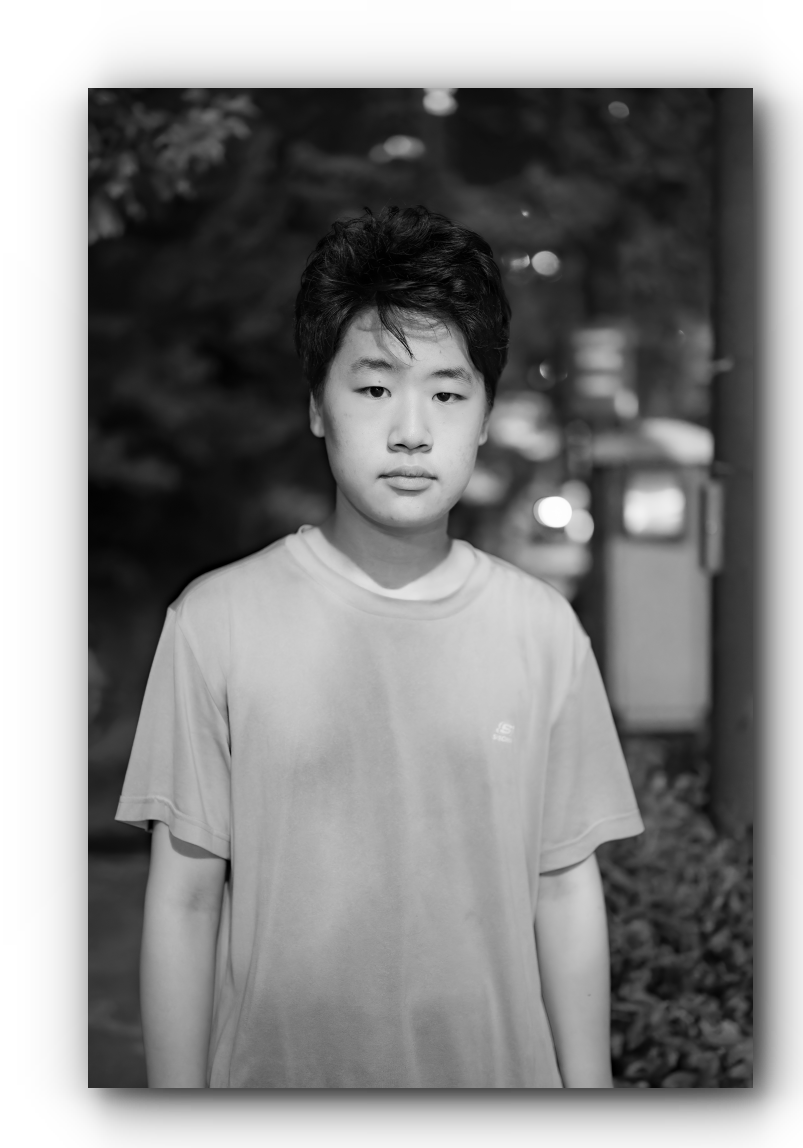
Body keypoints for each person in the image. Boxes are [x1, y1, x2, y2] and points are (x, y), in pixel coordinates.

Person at [117, 206, 644, 1088]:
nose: (411, 430)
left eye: (447, 393)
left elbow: (563, 888)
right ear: (316, 407)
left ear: (484, 416)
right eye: (372, 390)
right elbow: (184, 901)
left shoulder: (541, 630)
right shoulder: (216, 622)